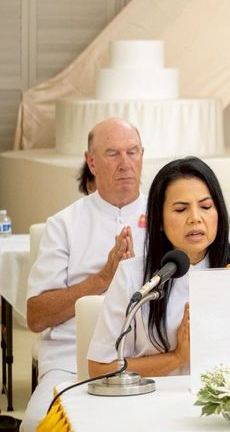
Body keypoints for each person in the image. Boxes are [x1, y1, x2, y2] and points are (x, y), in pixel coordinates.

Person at [88, 157, 230, 376]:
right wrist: (176, 358)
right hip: (153, 400)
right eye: (181, 209)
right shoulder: (133, 276)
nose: (195, 218)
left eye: (205, 206)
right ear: (160, 221)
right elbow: (99, 368)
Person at [23, 118, 147, 432]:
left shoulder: (168, 217)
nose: (125, 164)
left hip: (147, 359)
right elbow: (36, 317)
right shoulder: (64, 224)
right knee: (38, 423)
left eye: (132, 152)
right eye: (113, 154)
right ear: (91, 161)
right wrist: (102, 279)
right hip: (70, 363)